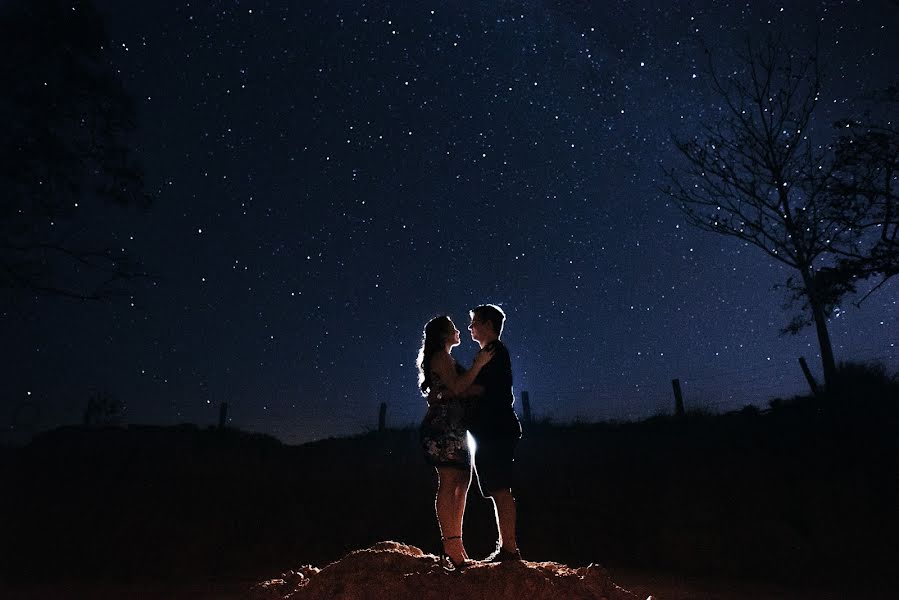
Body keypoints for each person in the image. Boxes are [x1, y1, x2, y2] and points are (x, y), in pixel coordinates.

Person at [417, 315, 494, 570]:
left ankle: (456, 542)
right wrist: (479, 364)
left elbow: (457, 389)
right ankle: (451, 543)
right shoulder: (440, 357)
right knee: (450, 481)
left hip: (456, 426)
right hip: (443, 426)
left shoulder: (446, 358)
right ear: (443, 335)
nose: (459, 331)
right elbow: (459, 386)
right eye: (453, 329)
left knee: (463, 479)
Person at [467, 304, 523, 561]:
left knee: (500, 487)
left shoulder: (495, 353)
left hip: (496, 430)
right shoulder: (491, 353)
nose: (470, 327)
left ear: (488, 325)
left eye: (475, 322)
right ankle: (507, 547)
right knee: (496, 487)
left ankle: (509, 549)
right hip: (491, 430)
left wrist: (461, 388)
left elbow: (484, 390)